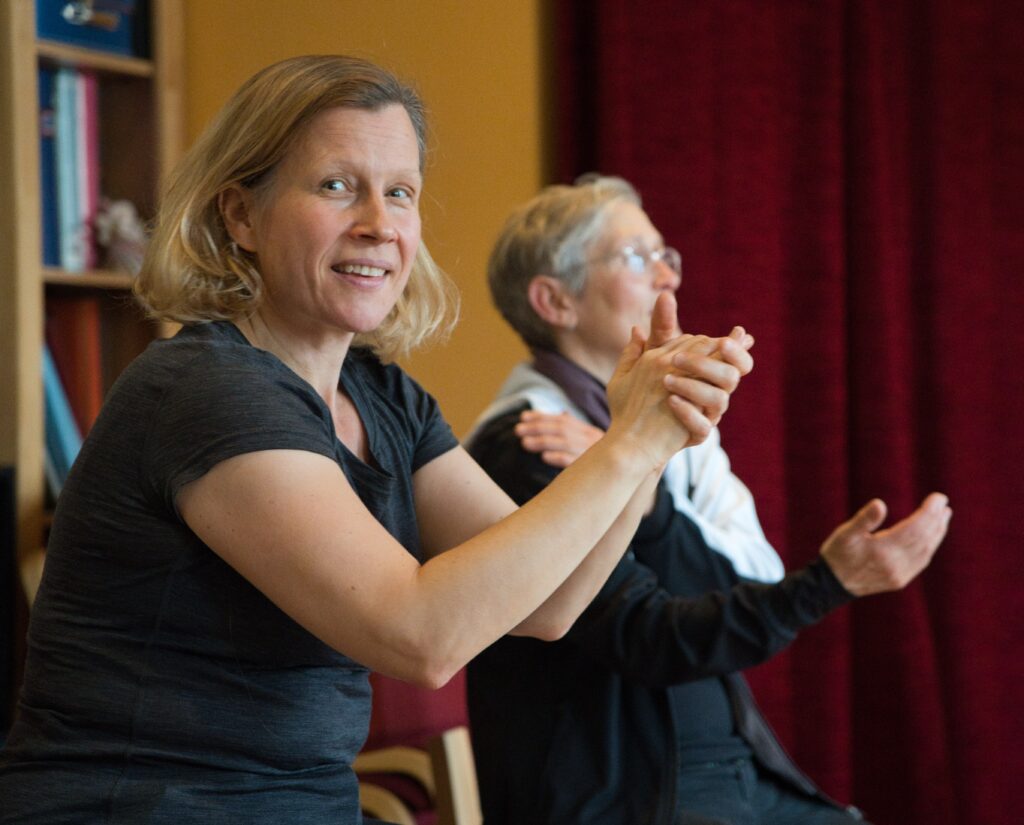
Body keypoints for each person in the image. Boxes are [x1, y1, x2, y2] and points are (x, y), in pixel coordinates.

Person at [0, 59, 753, 824]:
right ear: (240, 216)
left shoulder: (381, 394)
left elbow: (554, 603)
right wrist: (624, 446)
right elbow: (423, 637)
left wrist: (654, 440)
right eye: (335, 185)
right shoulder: (206, 391)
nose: (379, 224)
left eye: (399, 192)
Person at [464, 174, 952, 825]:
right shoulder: (529, 442)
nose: (666, 278)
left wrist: (643, 482)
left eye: (667, 256)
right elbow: (658, 636)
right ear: (555, 300)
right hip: (630, 793)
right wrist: (830, 581)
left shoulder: (675, 421)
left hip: (732, 766)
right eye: (637, 258)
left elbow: (751, 577)